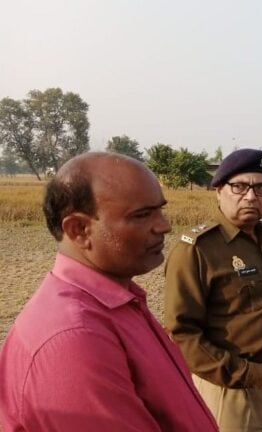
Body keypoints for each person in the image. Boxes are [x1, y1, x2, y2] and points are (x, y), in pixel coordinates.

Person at [0, 152, 217, 431]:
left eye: (160, 210)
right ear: (79, 229)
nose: (164, 225)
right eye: (142, 215)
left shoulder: (115, 302)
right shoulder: (74, 338)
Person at [165, 149, 262, 432]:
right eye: (239, 186)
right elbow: (183, 335)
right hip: (235, 389)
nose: (251, 197)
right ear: (218, 190)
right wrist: (257, 375)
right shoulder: (198, 249)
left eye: (261, 187)